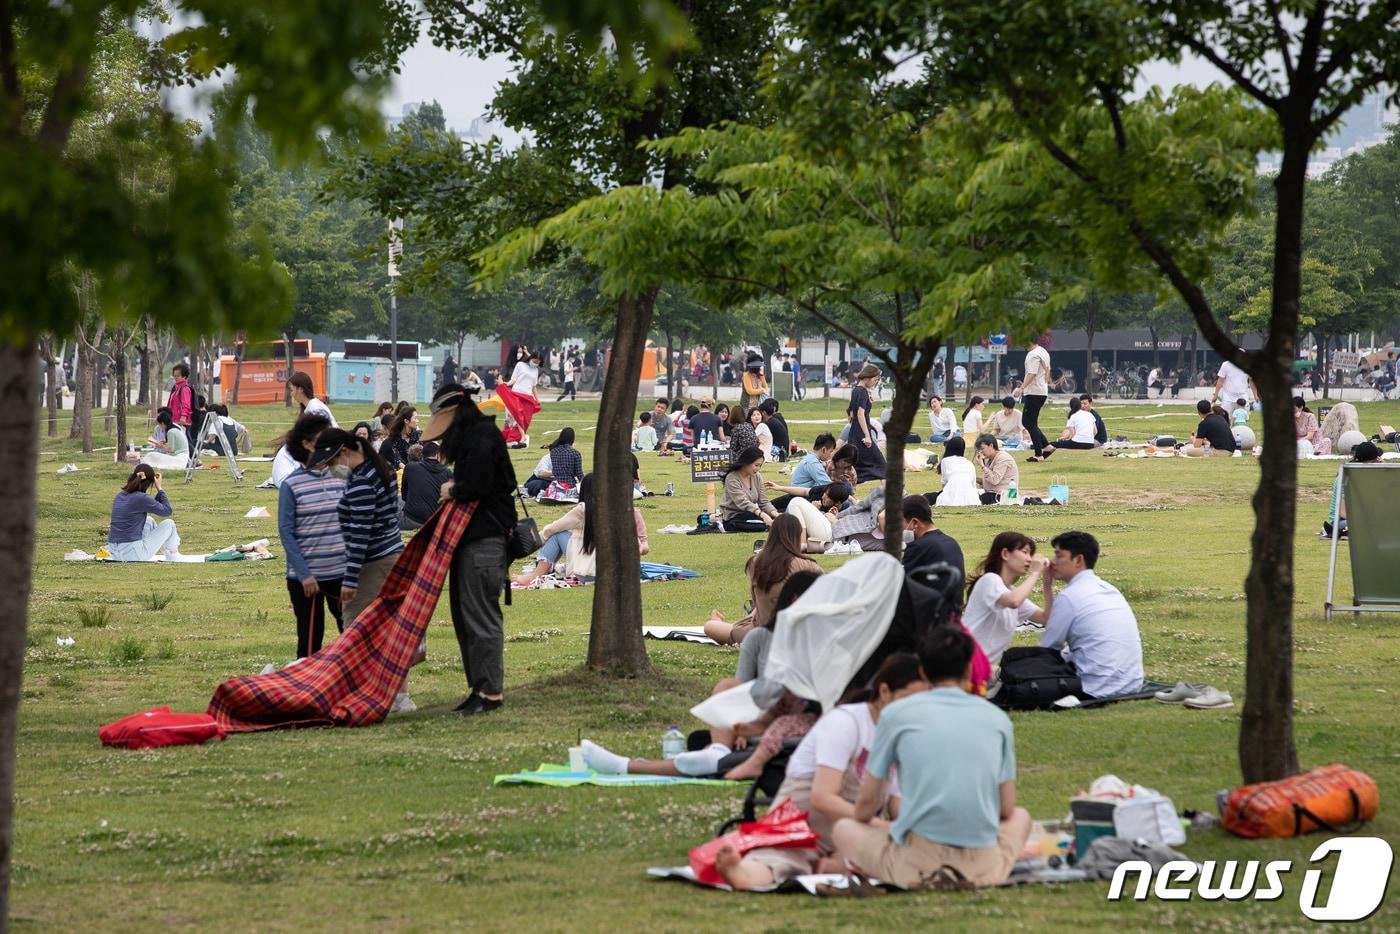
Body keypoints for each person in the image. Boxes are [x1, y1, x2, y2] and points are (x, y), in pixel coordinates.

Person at [708, 655, 930, 889]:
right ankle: (742, 873)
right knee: (780, 860)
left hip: (852, 831)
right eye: (908, 701)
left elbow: (896, 802)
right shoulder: (845, 722)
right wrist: (877, 824)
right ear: (885, 692)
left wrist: (914, 825)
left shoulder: (899, 736)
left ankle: (835, 865)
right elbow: (822, 798)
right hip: (804, 821)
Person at [834, 628, 1031, 890]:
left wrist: (880, 826)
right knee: (1021, 817)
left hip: (915, 864)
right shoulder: (997, 719)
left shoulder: (896, 715)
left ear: (924, 672)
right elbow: (1006, 809)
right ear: (969, 670)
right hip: (983, 864)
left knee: (844, 828)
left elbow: (867, 802)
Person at [420, 382, 518, 716]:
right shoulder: (477, 437)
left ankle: (491, 693)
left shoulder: (481, 439)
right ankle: (479, 688)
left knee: (481, 617)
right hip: (471, 541)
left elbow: (476, 485)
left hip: (484, 542)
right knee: (467, 618)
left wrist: (452, 489)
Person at [308, 429, 404, 628]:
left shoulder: (361, 482)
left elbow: (361, 534)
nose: (329, 469)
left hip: (373, 564)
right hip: (393, 554)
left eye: (330, 462)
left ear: (344, 452)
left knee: (355, 629)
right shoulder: (381, 467)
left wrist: (350, 578)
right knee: (385, 626)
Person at [1040, 531, 1144, 698]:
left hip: (1093, 688)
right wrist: (1047, 585)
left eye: (1059, 556)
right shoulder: (1109, 589)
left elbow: (1047, 650)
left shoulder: (1070, 596)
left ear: (1078, 560)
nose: (1053, 562)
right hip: (1132, 683)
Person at [278, 419, 346, 657]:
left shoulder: (342, 476)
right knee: (309, 643)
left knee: (351, 637)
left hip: (341, 575)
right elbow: (286, 532)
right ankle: (303, 691)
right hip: (306, 580)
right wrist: (305, 574)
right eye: (322, 440)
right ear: (307, 445)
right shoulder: (291, 484)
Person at [704, 514, 822, 645]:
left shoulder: (757, 562)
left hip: (764, 633)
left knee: (710, 626)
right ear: (798, 536)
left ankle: (722, 623)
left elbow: (757, 601)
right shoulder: (810, 566)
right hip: (800, 633)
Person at [513, 474, 650, 586]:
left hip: (590, 575)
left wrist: (533, 542)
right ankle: (541, 572)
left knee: (557, 534)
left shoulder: (583, 509)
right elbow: (638, 543)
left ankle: (536, 575)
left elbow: (553, 528)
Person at [962, 532, 1053, 666]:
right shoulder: (989, 580)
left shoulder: (1010, 590)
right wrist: (1035, 573)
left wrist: (1047, 584)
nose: (1029, 559)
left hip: (979, 668)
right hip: (962, 665)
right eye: (1025, 552)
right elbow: (1013, 601)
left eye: (1030, 554)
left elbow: (1045, 618)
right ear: (1005, 554)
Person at [106, 465, 181, 561]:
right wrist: (159, 488)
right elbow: (167, 511)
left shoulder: (120, 495)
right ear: (149, 483)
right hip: (134, 554)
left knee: (149, 521)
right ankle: (173, 555)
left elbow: (155, 505)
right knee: (169, 524)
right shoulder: (141, 498)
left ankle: (167, 552)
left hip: (115, 552)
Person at [1324, 441, 1381, 537]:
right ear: (1368, 463)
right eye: (1375, 461)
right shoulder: (1348, 477)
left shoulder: (1365, 476)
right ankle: (1338, 530)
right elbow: (1342, 512)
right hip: (1342, 520)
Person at [900, 496, 964, 578]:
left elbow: (904, 583)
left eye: (900, 522)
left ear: (915, 522)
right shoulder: (952, 542)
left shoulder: (918, 547)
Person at [780, 482, 855, 550]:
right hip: (822, 536)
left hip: (831, 536)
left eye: (827, 497)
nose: (823, 497)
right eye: (824, 494)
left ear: (838, 503)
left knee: (796, 502)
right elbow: (805, 491)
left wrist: (835, 519)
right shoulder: (821, 495)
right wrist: (779, 488)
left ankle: (801, 543)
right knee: (791, 505)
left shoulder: (846, 507)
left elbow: (847, 529)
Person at [719, 447, 779, 532]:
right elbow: (743, 502)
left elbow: (763, 501)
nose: (758, 469)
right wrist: (762, 515)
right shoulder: (732, 478)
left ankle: (771, 524)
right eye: (756, 465)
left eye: (760, 466)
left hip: (752, 513)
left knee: (779, 514)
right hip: (734, 517)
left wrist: (775, 514)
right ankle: (768, 525)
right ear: (746, 463)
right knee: (755, 523)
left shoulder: (757, 476)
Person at [401, 441, 453, 530]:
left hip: (411, 520)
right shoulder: (447, 472)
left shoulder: (410, 467)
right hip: (435, 523)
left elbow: (404, 496)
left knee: (398, 504)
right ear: (438, 454)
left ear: (423, 455)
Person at [848, 364, 886, 482]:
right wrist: (867, 435)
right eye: (874, 380)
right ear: (868, 377)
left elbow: (851, 413)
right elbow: (860, 414)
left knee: (856, 467)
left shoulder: (856, 390)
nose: (874, 383)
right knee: (881, 464)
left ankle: (849, 491)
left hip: (854, 432)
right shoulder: (863, 392)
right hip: (862, 434)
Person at [1017, 334, 1052, 461]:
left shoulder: (1033, 354)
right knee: (1032, 422)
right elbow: (1048, 369)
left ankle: (1039, 454)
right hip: (1041, 391)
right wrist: (1045, 382)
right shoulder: (1043, 351)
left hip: (1034, 392)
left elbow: (1032, 373)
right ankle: (1046, 446)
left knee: (1027, 422)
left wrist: (1021, 388)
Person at [525, 427, 584, 498]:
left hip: (556, 486)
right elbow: (579, 474)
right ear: (572, 439)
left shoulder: (553, 452)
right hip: (570, 486)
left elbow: (556, 471)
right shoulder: (575, 453)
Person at [933, 436, 979, 506]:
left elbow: (944, 483)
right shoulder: (969, 463)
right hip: (971, 498)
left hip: (951, 496)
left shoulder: (945, 461)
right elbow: (973, 485)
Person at [973, 435, 1018, 504]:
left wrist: (982, 466)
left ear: (991, 445)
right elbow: (988, 482)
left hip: (1002, 497)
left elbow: (994, 480)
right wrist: (971, 477)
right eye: (979, 450)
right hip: (994, 494)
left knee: (972, 499)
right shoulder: (991, 459)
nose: (980, 452)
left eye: (982, 449)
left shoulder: (1003, 458)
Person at [381, 406, 420, 470]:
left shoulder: (419, 436)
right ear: (406, 421)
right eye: (415, 418)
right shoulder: (390, 442)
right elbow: (397, 461)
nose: (418, 421)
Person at [166, 363, 195, 443]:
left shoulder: (185, 388)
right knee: (179, 441)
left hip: (182, 420)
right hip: (174, 419)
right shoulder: (176, 388)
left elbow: (186, 404)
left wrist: (184, 416)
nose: (175, 378)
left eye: (177, 376)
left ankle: (193, 455)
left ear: (184, 376)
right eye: (174, 375)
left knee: (186, 442)